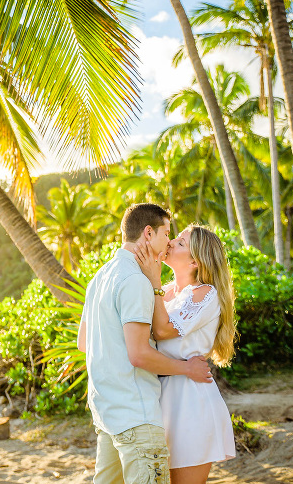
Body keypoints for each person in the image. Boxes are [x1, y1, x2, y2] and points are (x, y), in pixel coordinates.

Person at [77, 204, 213, 484]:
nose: (168, 243)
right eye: (166, 233)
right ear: (148, 233)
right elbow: (139, 354)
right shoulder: (136, 280)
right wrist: (187, 369)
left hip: (107, 415)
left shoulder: (99, 277)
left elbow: (83, 343)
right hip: (137, 417)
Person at [134, 224, 236, 484]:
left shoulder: (205, 294)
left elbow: (163, 330)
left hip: (190, 401)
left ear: (194, 261)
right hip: (159, 396)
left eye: (180, 243)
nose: (170, 243)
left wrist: (153, 281)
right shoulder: (166, 292)